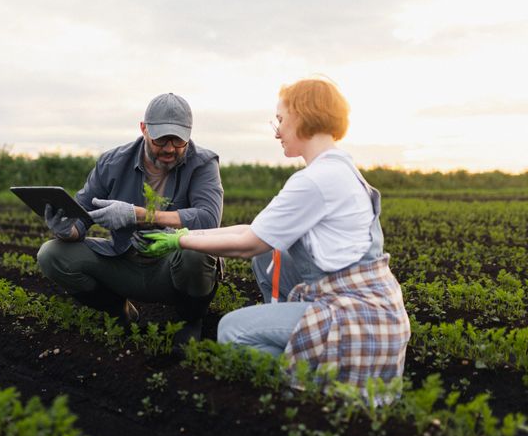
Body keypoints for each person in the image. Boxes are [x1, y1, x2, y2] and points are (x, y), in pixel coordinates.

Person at [138, 78, 410, 390]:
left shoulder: (316, 180)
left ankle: (308, 394)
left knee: (232, 331)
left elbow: (248, 244)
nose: (277, 130)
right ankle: (310, 379)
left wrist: (179, 240)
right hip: (376, 318)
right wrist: (188, 233)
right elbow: (256, 231)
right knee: (271, 253)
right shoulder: (340, 169)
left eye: (281, 119)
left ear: (302, 115)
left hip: (355, 323)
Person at [37, 92, 224, 342]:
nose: (169, 148)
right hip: (125, 260)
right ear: (144, 129)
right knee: (52, 254)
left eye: (178, 141)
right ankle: (119, 311)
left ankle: (190, 320)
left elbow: (209, 218)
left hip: (172, 266)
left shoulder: (203, 163)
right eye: (161, 140)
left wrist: (137, 215)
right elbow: (82, 214)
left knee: (196, 250)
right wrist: (68, 230)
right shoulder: (112, 163)